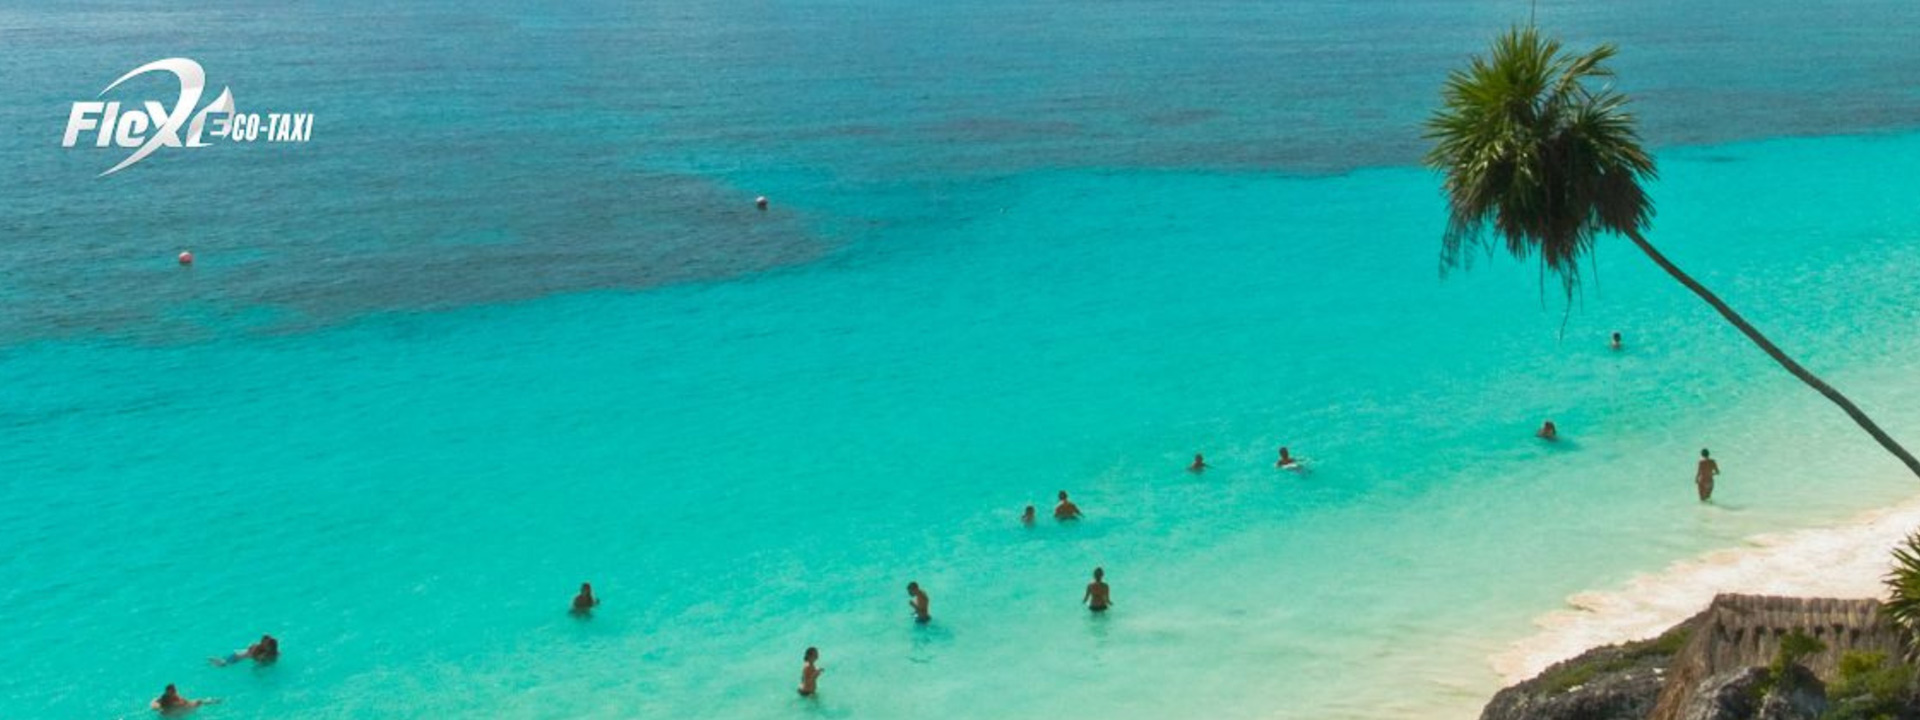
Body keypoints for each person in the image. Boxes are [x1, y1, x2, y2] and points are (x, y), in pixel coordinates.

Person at [209, 634, 279, 667]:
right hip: (237, 656)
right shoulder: (257, 648)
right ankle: (212, 660)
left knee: (223, 663)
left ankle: (213, 660)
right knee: (224, 664)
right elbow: (256, 660)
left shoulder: (274, 652)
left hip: (239, 654)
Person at [152, 684, 218, 713]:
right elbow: (190, 703)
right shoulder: (177, 702)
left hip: (168, 713)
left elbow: (154, 703)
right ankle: (213, 701)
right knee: (199, 702)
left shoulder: (162, 699)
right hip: (177, 712)